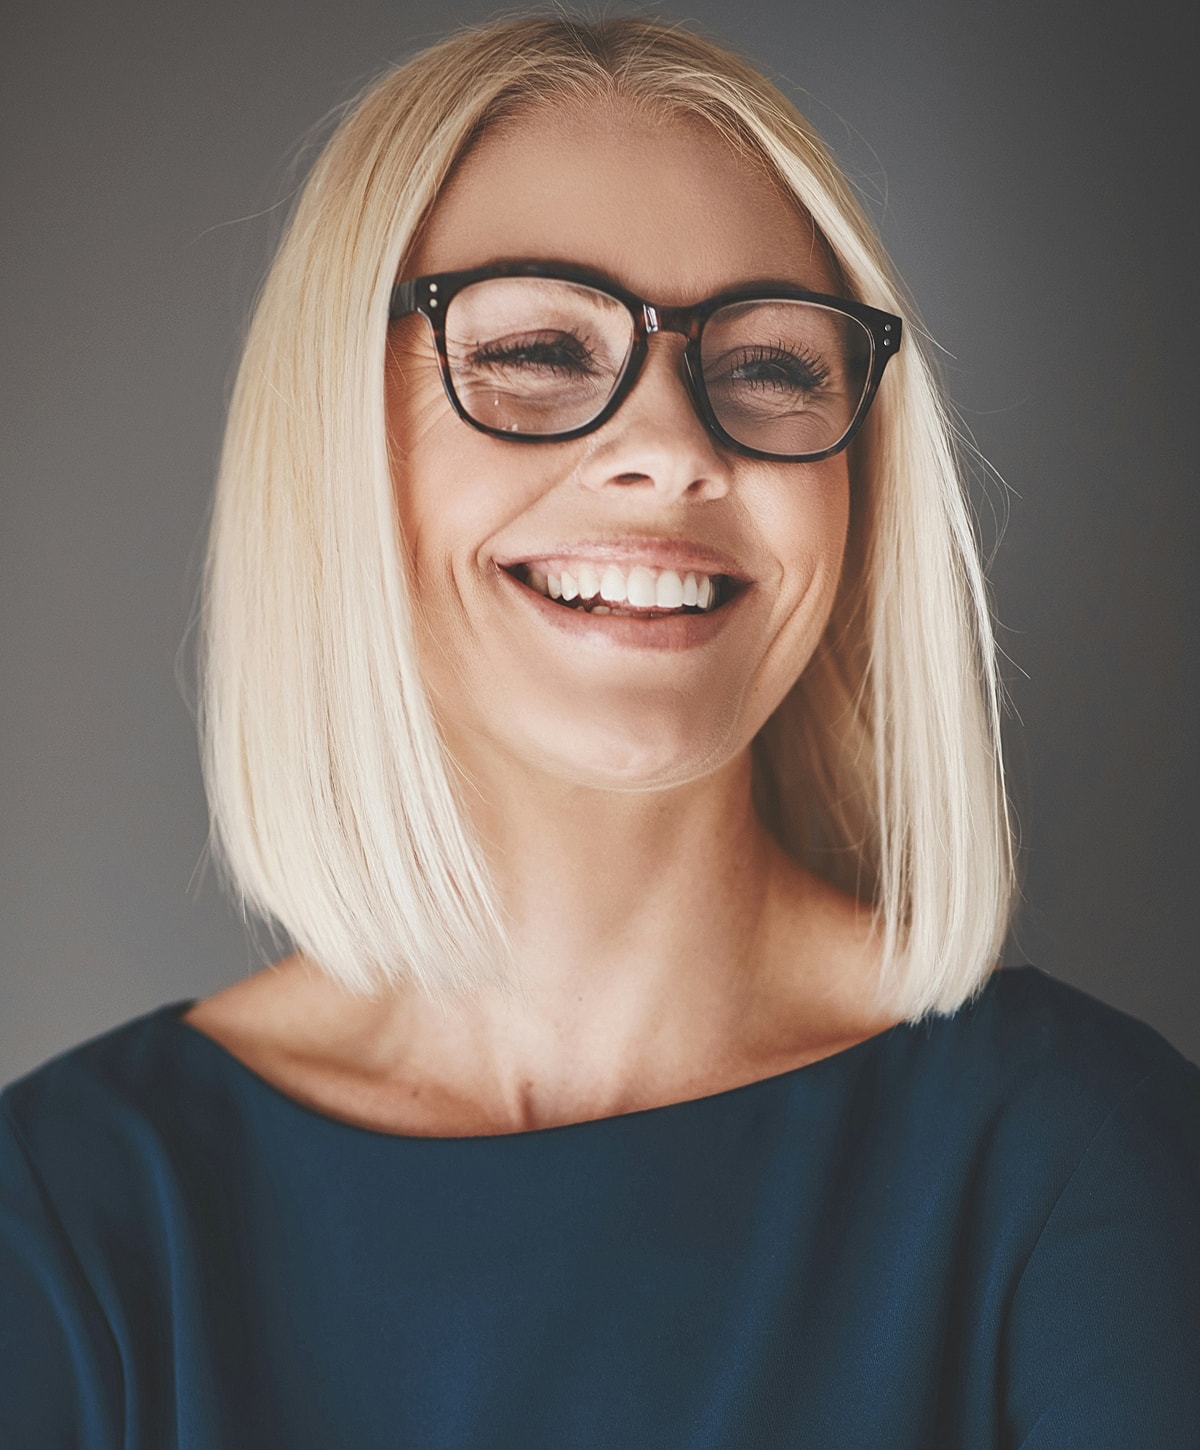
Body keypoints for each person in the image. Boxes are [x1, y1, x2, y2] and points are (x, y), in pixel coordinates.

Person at [1, 14, 1197, 1447]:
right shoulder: (61, 1218)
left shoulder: (1082, 1156)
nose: (675, 449)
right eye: (537, 348)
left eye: (769, 366)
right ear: (332, 435)